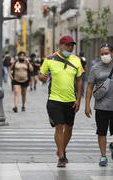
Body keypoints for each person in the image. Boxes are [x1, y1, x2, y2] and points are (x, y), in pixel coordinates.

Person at [39, 36, 83, 168]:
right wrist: (42, 77)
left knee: (69, 128)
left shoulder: (76, 60)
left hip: (71, 100)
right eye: (68, 45)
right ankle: (62, 157)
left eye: (72, 45)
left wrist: (79, 99)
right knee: (59, 127)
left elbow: (79, 80)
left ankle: (61, 149)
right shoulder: (49, 59)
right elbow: (41, 75)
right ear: (60, 45)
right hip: (54, 100)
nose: (70, 48)